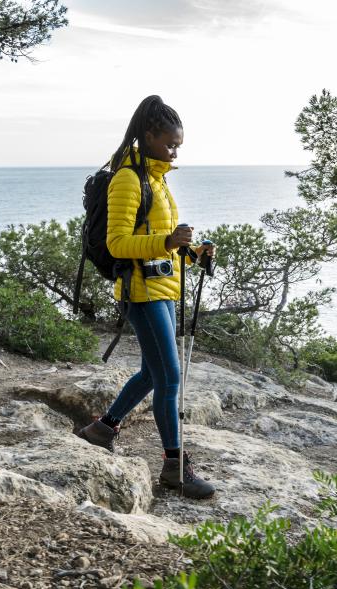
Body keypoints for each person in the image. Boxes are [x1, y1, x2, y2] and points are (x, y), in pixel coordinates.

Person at [75, 95, 216, 500]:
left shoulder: (157, 181)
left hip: (164, 289)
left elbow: (163, 242)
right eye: (170, 144)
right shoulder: (127, 179)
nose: (175, 152)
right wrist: (167, 240)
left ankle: (102, 429)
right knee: (170, 378)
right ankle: (175, 468)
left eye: (179, 146)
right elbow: (118, 243)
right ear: (149, 136)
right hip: (141, 291)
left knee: (153, 374)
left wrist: (191, 251)